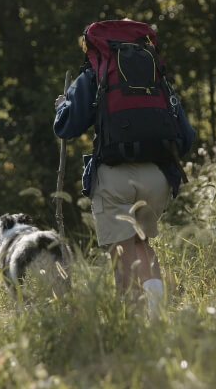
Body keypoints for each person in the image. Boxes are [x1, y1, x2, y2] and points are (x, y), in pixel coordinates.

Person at [53, 37, 195, 319]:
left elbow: (67, 127)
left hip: (114, 176)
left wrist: (61, 106)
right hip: (157, 176)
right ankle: (159, 313)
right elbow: (187, 136)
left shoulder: (95, 71)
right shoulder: (156, 77)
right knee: (142, 244)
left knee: (121, 251)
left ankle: (133, 323)